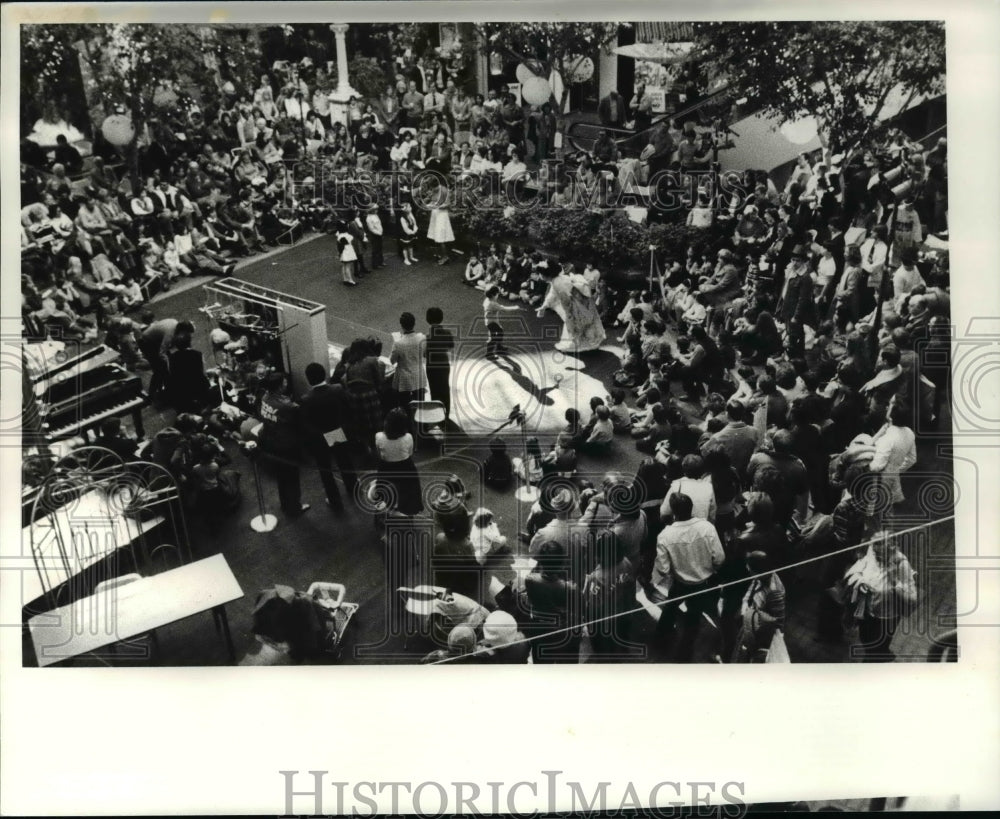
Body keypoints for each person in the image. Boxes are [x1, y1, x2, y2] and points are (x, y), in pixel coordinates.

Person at [651, 492, 726, 662]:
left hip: (680, 583)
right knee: (693, 618)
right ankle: (685, 652)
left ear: (674, 512)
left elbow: (662, 568)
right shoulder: (707, 527)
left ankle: (661, 639)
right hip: (703, 583)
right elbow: (720, 558)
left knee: (670, 608)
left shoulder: (665, 535)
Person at [839, 533, 917, 661]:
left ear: (891, 549)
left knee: (879, 645)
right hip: (866, 610)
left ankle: (876, 661)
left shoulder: (902, 564)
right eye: (875, 552)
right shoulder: (872, 552)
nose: (877, 558)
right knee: (865, 638)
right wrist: (860, 580)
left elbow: (912, 598)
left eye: (881, 555)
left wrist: (894, 582)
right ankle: (876, 655)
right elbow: (859, 566)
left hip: (886, 617)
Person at [300, 362, 356, 512]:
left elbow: (306, 424)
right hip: (337, 432)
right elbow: (349, 408)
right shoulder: (337, 389)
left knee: (326, 470)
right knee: (345, 462)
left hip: (320, 437)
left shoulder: (306, 399)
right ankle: (353, 488)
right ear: (324, 374)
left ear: (308, 379)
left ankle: (335, 500)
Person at [257, 372, 310, 518]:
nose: (286, 383)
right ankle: (295, 507)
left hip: (271, 442)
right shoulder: (289, 406)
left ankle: (285, 504)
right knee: (292, 477)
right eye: (284, 382)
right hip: (287, 446)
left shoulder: (265, 398)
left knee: (281, 476)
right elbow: (300, 426)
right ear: (280, 386)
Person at [524, 540, 582, 663]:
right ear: (561, 563)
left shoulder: (529, 580)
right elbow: (579, 612)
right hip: (564, 633)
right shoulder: (571, 588)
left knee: (543, 668)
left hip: (541, 630)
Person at [536, 261, 606, 353]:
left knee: (576, 323)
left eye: (541, 274)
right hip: (579, 299)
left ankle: (578, 344)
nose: (540, 276)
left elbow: (566, 300)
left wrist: (569, 314)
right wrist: (544, 306)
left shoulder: (558, 283)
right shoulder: (557, 279)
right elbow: (552, 294)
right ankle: (587, 342)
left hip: (577, 302)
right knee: (581, 322)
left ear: (547, 274)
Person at [730, 551, 787, 662]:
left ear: (757, 571)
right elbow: (753, 586)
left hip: (761, 630)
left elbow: (779, 621)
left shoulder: (774, 592)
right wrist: (745, 602)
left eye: (749, 567)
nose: (747, 568)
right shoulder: (762, 576)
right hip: (752, 621)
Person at [375, 408, 424, 517]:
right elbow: (410, 453)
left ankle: (387, 509)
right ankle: (409, 511)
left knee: (387, 492)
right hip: (405, 467)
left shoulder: (378, 436)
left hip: (386, 468)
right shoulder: (408, 437)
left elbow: (379, 454)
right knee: (408, 491)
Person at [166, 331, 210, 414]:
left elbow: (171, 373)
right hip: (197, 385)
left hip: (181, 388)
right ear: (189, 343)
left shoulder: (172, 357)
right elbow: (203, 372)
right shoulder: (198, 354)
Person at [389, 312, 426, 408]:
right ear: (414, 323)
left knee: (404, 408)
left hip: (404, 381)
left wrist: (396, 341)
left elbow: (392, 361)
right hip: (419, 378)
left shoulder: (398, 343)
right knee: (420, 408)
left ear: (401, 325)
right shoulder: (422, 338)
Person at [424, 307, 455, 423]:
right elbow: (450, 347)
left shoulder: (426, 336)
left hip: (431, 366)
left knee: (434, 388)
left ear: (427, 319)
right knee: (444, 387)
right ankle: (446, 412)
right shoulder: (447, 333)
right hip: (444, 364)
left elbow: (424, 354)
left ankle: (437, 413)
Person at [483, 285, 522, 359]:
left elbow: (495, 307)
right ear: (493, 295)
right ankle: (489, 354)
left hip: (491, 321)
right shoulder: (492, 303)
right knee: (493, 338)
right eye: (497, 294)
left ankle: (498, 347)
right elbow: (504, 309)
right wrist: (515, 308)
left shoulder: (487, 300)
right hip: (492, 322)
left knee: (500, 332)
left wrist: (498, 308)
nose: (498, 295)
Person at [426, 183, 455, 265]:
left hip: (442, 215)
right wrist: (430, 205)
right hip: (435, 214)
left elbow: (448, 205)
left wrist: (437, 206)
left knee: (440, 236)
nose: (432, 190)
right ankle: (440, 254)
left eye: (432, 187)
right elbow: (433, 200)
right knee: (435, 235)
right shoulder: (435, 190)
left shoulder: (445, 191)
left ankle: (445, 256)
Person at [335, 221, 358, 286]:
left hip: (343, 252)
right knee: (348, 266)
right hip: (348, 251)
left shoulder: (339, 235)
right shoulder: (347, 235)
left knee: (344, 266)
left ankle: (345, 279)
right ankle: (350, 280)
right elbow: (351, 241)